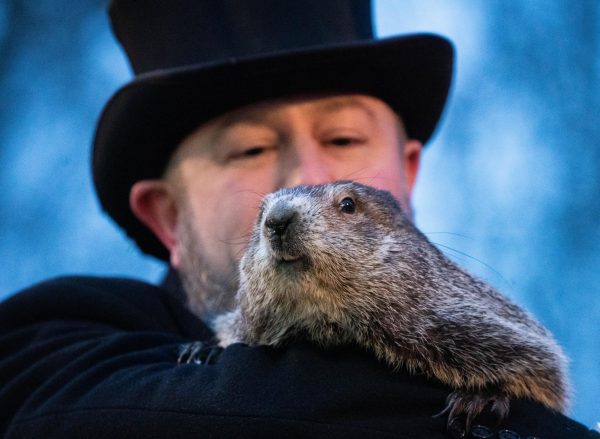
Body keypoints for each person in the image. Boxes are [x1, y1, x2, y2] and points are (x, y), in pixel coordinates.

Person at [0, 0, 598, 438]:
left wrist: (498, 396)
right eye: (249, 150)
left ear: (408, 178)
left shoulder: (464, 307)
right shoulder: (58, 336)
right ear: (167, 216)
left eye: (343, 138)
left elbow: (534, 371)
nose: (295, 184)